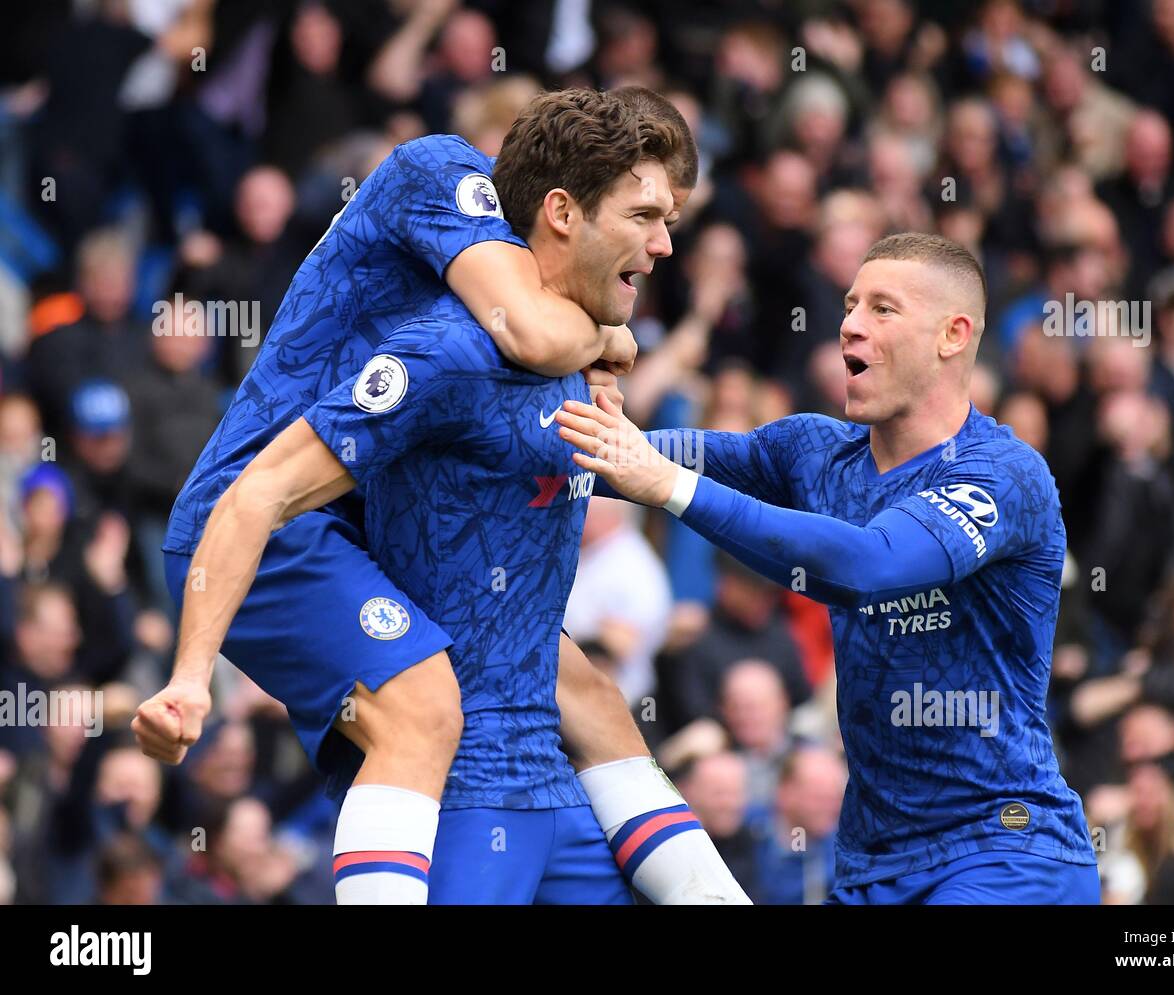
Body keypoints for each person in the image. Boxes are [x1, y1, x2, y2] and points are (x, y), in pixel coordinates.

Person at [134, 87, 748, 904]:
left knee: (585, 690)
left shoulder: (518, 304)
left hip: (359, 510)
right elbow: (531, 328)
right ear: (558, 203)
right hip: (263, 518)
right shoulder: (442, 181)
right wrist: (188, 678)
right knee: (423, 705)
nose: (666, 243)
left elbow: (544, 325)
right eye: (645, 215)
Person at [557, 232, 1101, 904]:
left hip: (1004, 847)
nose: (850, 323)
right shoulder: (811, 451)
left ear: (952, 335)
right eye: (849, 304)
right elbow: (625, 457)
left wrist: (662, 481)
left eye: (883, 308)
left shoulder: (1002, 475)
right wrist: (566, 395)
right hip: (871, 861)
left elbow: (871, 563)